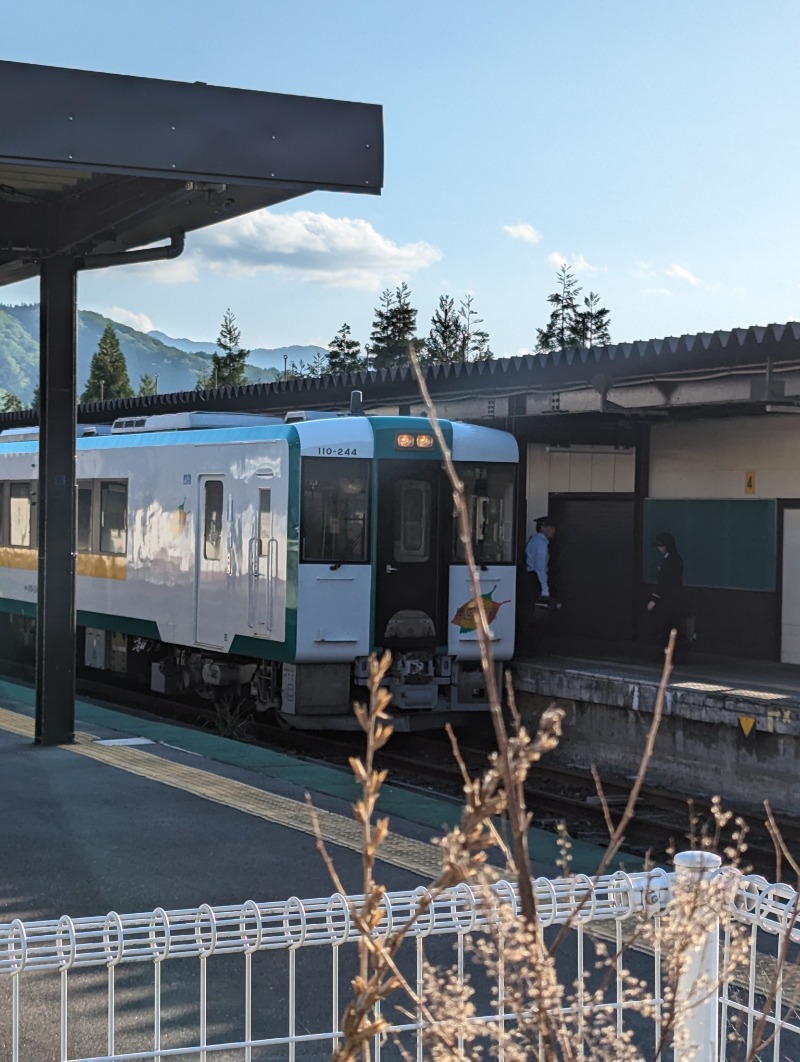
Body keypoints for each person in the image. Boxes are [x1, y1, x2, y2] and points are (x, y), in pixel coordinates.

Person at [647, 531, 684, 658]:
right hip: (674, 599)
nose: (659, 548)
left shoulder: (670, 561)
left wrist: (654, 599)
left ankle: (666, 655)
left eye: (661, 546)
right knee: (670, 626)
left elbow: (664, 582)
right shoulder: (675, 559)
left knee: (665, 626)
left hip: (667, 600)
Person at [525, 515, 556, 606]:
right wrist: (545, 590)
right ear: (542, 527)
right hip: (535, 581)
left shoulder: (534, 540)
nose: (553, 531)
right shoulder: (541, 544)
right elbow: (540, 568)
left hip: (531, 579)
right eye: (551, 528)